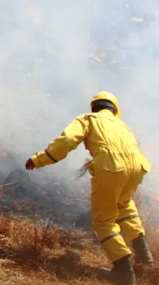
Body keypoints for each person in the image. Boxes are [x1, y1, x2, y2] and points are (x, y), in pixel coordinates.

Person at [25, 92, 152, 284]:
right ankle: (142, 249)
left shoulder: (87, 119)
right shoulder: (122, 125)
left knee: (104, 222)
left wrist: (39, 159)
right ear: (114, 109)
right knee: (124, 204)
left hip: (111, 169)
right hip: (137, 168)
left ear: (94, 107)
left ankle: (123, 268)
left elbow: (67, 141)